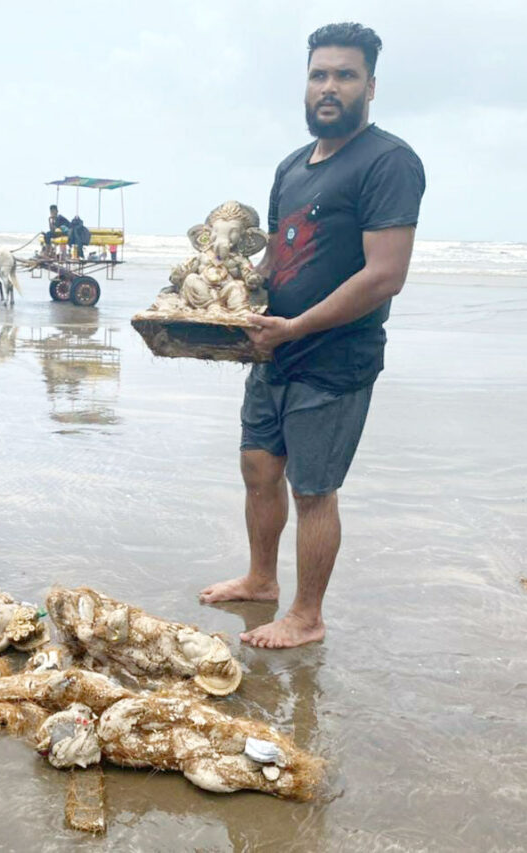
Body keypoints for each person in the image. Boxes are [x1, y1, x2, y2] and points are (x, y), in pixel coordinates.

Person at [198, 23, 425, 649]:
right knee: (258, 469)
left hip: (335, 359)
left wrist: (295, 327)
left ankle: (307, 615)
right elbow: (276, 255)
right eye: (319, 74)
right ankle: (261, 580)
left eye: (345, 75)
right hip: (273, 350)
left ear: (370, 87)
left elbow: (385, 275)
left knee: (314, 491)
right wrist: (224, 293)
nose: (329, 87)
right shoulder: (291, 167)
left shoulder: (388, 162)